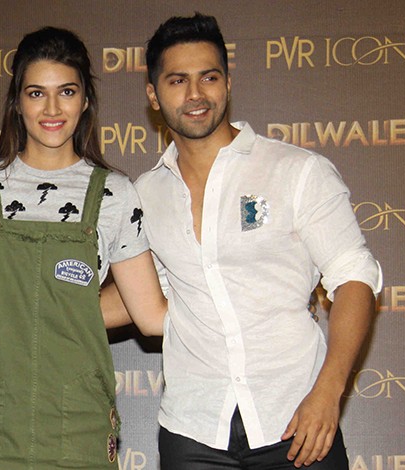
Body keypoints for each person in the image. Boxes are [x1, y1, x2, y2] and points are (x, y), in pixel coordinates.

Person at [136, 13, 381, 469]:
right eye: (177, 81)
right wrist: (42, 307)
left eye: (209, 77)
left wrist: (328, 392)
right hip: (192, 429)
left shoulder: (296, 170)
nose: (195, 94)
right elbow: (146, 298)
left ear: (227, 83)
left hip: (297, 420)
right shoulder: (144, 195)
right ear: (153, 95)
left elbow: (354, 278)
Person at [0, 27, 166, 469]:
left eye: (67, 91)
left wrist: (247, 309)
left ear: (85, 100)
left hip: (77, 423)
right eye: (36, 93)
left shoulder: (115, 194)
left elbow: (151, 315)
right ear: (17, 102)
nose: (52, 109)